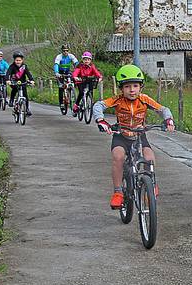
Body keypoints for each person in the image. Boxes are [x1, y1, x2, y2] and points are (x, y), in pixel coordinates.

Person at [93, 64, 175, 209]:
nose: (132, 90)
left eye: (135, 86)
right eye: (127, 87)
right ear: (121, 88)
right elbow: (99, 106)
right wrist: (101, 120)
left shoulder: (144, 99)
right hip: (121, 135)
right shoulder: (117, 100)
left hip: (139, 136)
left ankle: (150, 186)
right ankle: (118, 192)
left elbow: (163, 109)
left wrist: (168, 119)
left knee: (149, 158)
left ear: (140, 87)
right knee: (118, 157)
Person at [71, 51, 102, 116]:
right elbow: (76, 72)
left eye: (88, 59)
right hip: (80, 80)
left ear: (90, 60)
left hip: (89, 80)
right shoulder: (80, 66)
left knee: (90, 91)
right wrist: (75, 77)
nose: (86, 61)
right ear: (82, 60)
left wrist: (100, 77)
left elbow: (96, 72)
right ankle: (76, 105)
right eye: (85, 59)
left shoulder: (92, 66)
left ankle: (90, 103)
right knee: (81, 92)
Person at [6, 51, 35, 116]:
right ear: (14, 60)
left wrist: (31, 80)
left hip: (23, 82)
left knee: (26, 96)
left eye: (19, 60)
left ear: (22, 60)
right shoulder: (12, 66)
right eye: (16, 60)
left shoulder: (24, 66)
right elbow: (8, 73)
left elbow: (28, 74)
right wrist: (7, 80)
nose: (18, 62)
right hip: (14, 81)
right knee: (14, 89)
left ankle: (27, 109)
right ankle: (11, 100)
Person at [53, 44, 79, 109]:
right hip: (60, 72)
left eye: (67, 51)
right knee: (61, 87)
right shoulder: (59, 57)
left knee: (74, 80)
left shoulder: (71, 56)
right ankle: (61, 103)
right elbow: (56, 64)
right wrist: (56, 72)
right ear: (62, 51)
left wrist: (78, 70)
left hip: (67, 72)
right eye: (64, 51)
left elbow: (76, 63)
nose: (65, 52)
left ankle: (72, 93)